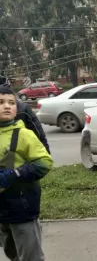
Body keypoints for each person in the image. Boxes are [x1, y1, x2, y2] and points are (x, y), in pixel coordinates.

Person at [0, 86, 53, 261]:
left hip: (22, 206)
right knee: (12, 253)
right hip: (2, 210)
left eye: (11, 103)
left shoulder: (24, 135)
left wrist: (14, 174)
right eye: (1, 102)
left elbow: (44, 162)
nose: (7, 106)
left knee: (31, 257)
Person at [0, 76, 50, 154]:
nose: (7, 106)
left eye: (11, 103)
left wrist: (45, 155)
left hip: (18, 157)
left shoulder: (22, 109)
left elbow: (39, 135)